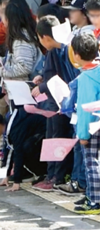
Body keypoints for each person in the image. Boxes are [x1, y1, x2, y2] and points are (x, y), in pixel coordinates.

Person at [31, 16, 79, 192]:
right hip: (55, 101)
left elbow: (65, 78)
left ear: (45, 37)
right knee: (51, 138)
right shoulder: (56, 50)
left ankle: (57, 177)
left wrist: (43, 86)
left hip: (61, 102)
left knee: (58, 139)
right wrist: (42, 79)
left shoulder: (65, 50)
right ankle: (51, 175)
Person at [0, 109, 47, 193]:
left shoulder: (14, 128)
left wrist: (16, 182)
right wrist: (5, 176)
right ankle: (27, 174)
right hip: (35, 134)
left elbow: (18, 153)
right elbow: (7, 150)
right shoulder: (7, 127)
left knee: (26, 148)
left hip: (45, 134)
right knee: (19, 149)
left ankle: (44, 173)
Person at [73, 32, 100, 214]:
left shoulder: (86, 78)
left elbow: (85, 109)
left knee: (92, 164)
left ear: (76, 55)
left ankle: (95, 202)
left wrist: (82, 135)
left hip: (92, 128)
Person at [0, 0, 42, 81]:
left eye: (3, 14)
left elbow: (24, 67)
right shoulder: (19, 35)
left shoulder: (21, 40)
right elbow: (16, 60)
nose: (0, 17)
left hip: (22, 87)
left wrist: (0, 71)